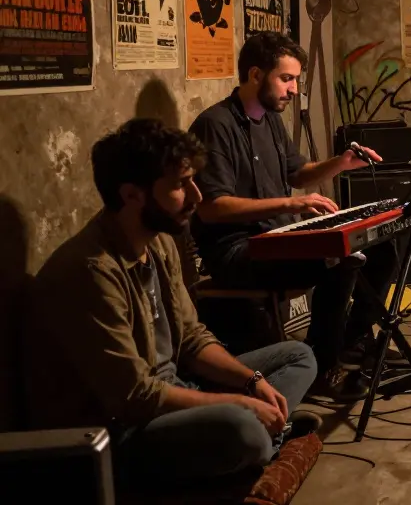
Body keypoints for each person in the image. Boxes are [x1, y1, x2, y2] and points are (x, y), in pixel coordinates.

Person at [24, 119, 320, 488]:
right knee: (243, 429)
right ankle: (266, 439)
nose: (197, 196)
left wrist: (251, 382)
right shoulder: (91, 271)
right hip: (125, 429)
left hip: (177, 386)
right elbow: (134, 397)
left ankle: (263, 438)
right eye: (181, 185)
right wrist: (240, 405)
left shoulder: (158, 241)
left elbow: (192, 339)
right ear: (132, 195)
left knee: (298, 356)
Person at [189, 32, 392, 402]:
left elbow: (298, 174)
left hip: (277, 237)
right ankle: (321, 366)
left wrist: (342, 162)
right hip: (237, 250)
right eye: (286, 78)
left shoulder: (269, 120)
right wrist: (290, 205)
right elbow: (212, 207)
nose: (294, 89)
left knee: (381, 247)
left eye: (295, 79)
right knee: (341, 259)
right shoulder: (214, 125)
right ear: (255, 74)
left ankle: (350, 341)